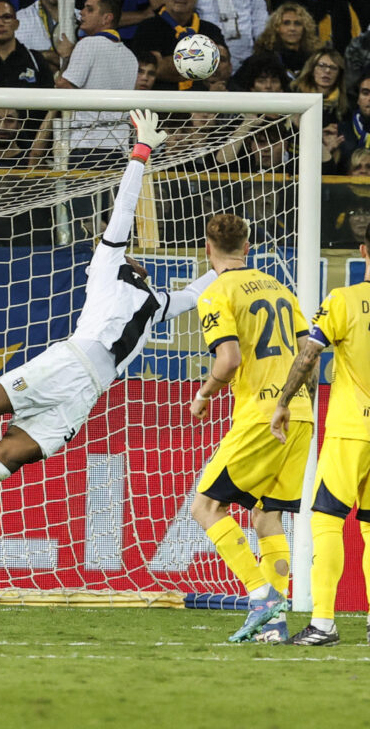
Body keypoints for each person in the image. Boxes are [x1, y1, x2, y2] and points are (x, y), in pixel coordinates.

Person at [0, 110, 217, 560]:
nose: (133, 257)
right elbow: (122, 209)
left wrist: (231, 267)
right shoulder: (105, 267)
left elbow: (198, 291)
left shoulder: (157, 303)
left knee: (11, 457)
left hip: (89, 392)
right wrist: (142, 153)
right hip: (68, 363)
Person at [189, 213, 313, 643]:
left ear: (207, 248)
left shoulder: (216, 291)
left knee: (205, 507)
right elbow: (307, 355)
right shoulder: (280, 287)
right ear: (248, 247)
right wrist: (299, 402)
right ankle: (274, 625)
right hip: (300, 414)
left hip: (261, 415)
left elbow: (229, 360)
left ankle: (260, 596)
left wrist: (204, 393)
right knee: (267, 515)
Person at [269, 222, 370, 645]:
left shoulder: (343, 300)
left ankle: (323, 622)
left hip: (351, 428)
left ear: (364, 251)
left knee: (327, 519)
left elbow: (309, 355)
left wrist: (283, 401)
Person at [56, 0, 138, 168]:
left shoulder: (87, 44)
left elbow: (63, 87)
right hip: (120, 151)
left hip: (87, 147)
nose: (82, 13)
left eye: (89, 9)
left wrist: (66, 57)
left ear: (106, 18)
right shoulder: (131, 57)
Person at [131, 0, 226, 90]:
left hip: (201, 104)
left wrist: (170, 63)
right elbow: (156, 69)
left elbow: (222, 70)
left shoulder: (211, 30)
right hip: (160, 103)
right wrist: (203, 61)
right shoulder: (148, 28)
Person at [253, 2, 322, 85]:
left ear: (305, 29)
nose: (292, 28)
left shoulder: (315, 59)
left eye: (297, 23)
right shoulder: (261, 58)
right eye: (286, 23)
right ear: (276, 27)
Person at [292, 48, 348, 120]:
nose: (327, 71)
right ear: (312, 69)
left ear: (339, 74)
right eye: (322, 65)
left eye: (333, 68)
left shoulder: (345, 104)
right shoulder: (295, 93)